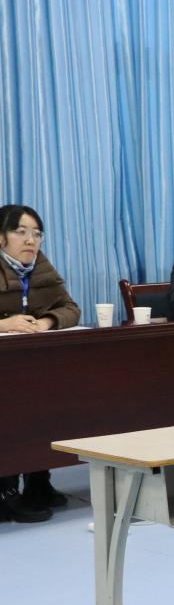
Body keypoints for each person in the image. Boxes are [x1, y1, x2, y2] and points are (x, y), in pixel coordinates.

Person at [0, 204, 80, 522]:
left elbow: (70, 308)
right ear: (1, 237)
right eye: (21, 232)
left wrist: (46, 322)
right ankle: (6, 491)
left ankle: (38, 483)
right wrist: (5, 324)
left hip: (31, 363)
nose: (30, 240)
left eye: (37, 233)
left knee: (46, 402)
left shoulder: (40, 266)